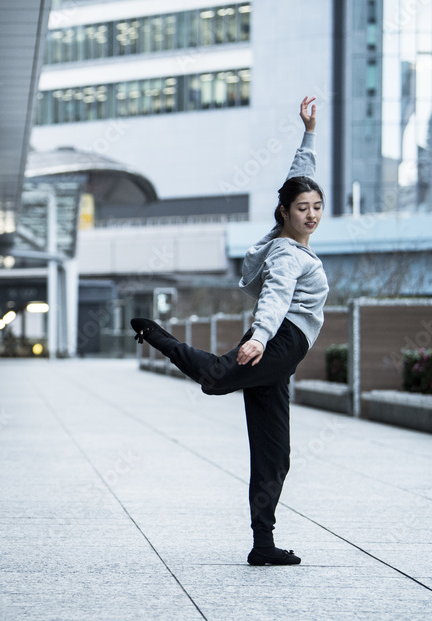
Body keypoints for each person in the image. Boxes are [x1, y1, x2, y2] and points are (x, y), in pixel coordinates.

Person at [131, 96, 329, 566]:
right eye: (303, 208)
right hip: (280, 340)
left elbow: (297, 177)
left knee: (273, 455)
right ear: (285, 213)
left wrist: (309, 133)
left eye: (317, 206)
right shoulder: (286, 254)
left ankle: (263, 545)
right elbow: (276, 298)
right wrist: (259, 339)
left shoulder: (286, 238)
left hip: (276, 343)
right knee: (217, 378)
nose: (312, 214)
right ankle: (159, 337)